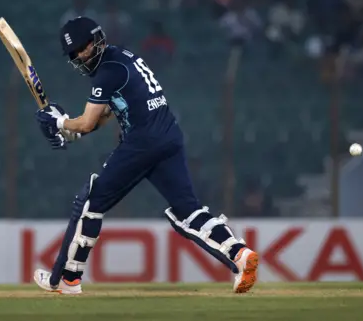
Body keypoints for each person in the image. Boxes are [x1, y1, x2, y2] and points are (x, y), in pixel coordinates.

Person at [32, 16, 259, 294]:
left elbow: (88, 121)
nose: (81, 54)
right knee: (188, 211)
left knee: (90, 202)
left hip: (142, 141)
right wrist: (71, 128)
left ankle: (66, 279)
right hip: (168, 135)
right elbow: (105, 113)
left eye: (84, 47)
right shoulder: (122, 57)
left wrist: (60, 123)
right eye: (75, 52)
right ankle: (239, 254)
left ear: (97, 39)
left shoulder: (108, 70)